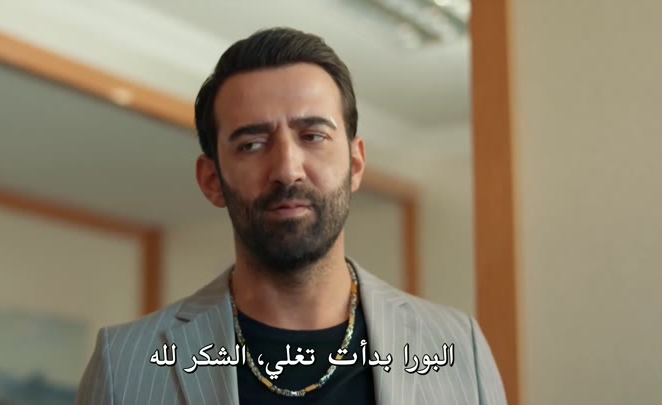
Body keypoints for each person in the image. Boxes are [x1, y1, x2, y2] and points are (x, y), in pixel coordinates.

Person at [76, 27, 506, 405]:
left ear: (356, 164)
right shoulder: (126, 362)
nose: (287, 169)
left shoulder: (456, 348)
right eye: (251, 144)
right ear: (211, 180)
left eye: (313, 136)